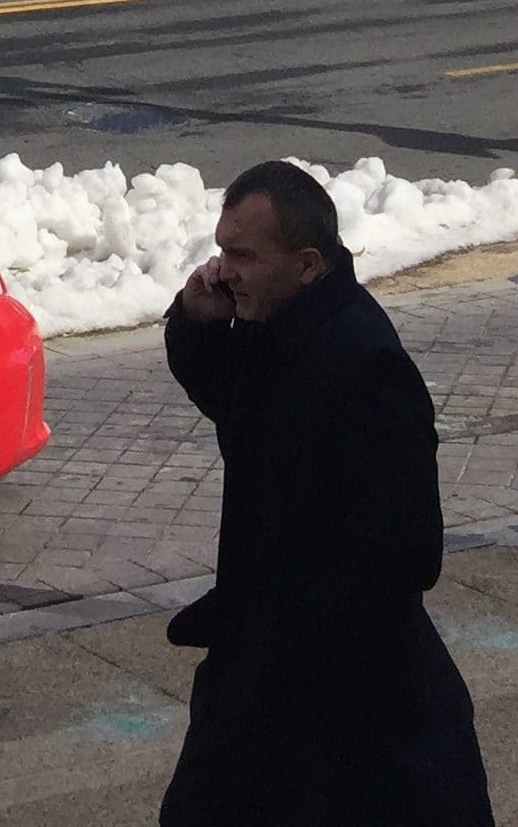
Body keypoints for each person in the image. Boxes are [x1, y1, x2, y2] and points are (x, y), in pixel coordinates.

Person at [156, 160, 492, 827]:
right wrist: (197, 324)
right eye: (221, 249)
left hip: (344, 692)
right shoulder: (276, 325)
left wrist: (285, 632)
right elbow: (237, 405)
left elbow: (407, 552)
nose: (223, 269)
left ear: (307, 265)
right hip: (271, 666)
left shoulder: (362, 364)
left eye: (242, 255)